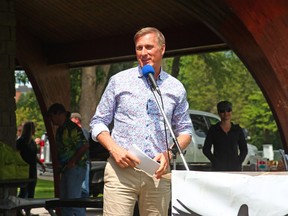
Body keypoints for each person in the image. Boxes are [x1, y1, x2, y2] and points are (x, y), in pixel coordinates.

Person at [90, 27, 193, 216]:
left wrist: (168, 155)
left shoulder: (175, 87)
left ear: (162, 49)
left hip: (157, 173)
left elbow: (186, 131)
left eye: (149, 47)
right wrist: (114, 149)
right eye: (139, 48)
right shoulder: (119, 81)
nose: (143, 53)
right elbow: (97, 123)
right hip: (121, 171)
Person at [46, 103, 89, 216]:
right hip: (66, 169)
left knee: (73, 202)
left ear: (59, 114)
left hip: (75, 168)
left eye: (51, 116)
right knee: (65, 202)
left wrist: (73, 161)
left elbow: (84, 146)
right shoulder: (60, 129)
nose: (51, 120)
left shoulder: (72, 128)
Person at [202, 101, 248, 171]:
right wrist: (215, 161)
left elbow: (244, 149)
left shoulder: (237, 129)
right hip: (218, 169)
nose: (226, 113)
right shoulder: (213, 130)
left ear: (231, 111)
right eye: (222, 111)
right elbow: (206, 149)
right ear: (218, 113)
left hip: (235, 168)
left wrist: (238, 162)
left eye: (228, 110)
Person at [16, 121, 46, 216]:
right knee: (24, 191)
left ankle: (28, 211)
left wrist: (41, 164)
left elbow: (33, 155)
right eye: (33, 129)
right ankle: (19, 210)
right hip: (24, 169)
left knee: (31, 191)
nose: (35, 131)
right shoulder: (21, 141)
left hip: (32, 169)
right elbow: (17, 154)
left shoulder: (32, 142)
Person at [70, 112, 90, 198]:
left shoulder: (82, 132)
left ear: (77, 120)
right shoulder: (84, 131)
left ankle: (82, 208)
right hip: (81, 162)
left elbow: (84, 147)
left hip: (83, 162)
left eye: (71, 120)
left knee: (83, 188)